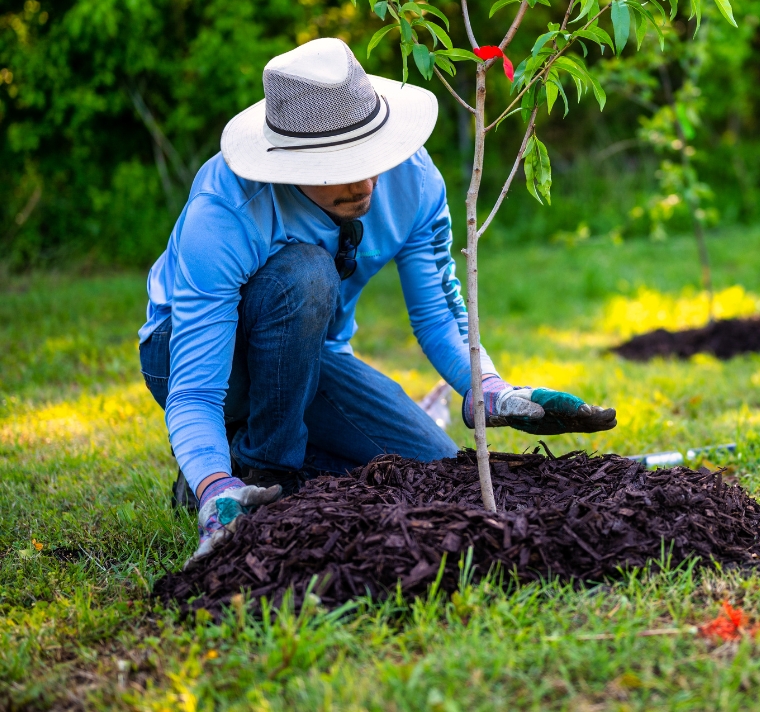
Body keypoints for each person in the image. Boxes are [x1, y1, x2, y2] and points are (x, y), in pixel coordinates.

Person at [139, 37, 616, 561]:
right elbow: (195, 391)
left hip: (309, 359)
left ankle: (243, 460)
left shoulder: (412, 181)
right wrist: (214, 487)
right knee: (307, 272)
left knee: (430, 465)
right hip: (192, 357)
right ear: (289, 164)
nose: (365, 181)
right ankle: (249, 474)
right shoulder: (227, 212)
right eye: (338, 165)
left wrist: (489, 389)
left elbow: (439, 313)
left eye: (372, 155)